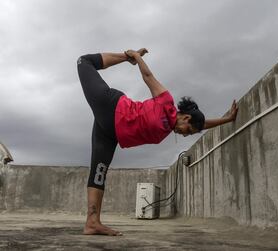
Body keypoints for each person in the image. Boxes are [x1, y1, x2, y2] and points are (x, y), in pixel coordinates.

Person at [77, 48, 238, 236]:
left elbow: (203, 123)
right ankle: (125, 56)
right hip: (111, 107)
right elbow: (148, 76)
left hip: (110, 133)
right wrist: (135, 57)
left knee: (99, 172)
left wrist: (226, 119)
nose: (185, 135)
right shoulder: (166, 102)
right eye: (189, 131)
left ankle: (92, 222)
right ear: (185, 118)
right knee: (83, 61)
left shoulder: (169, 127)